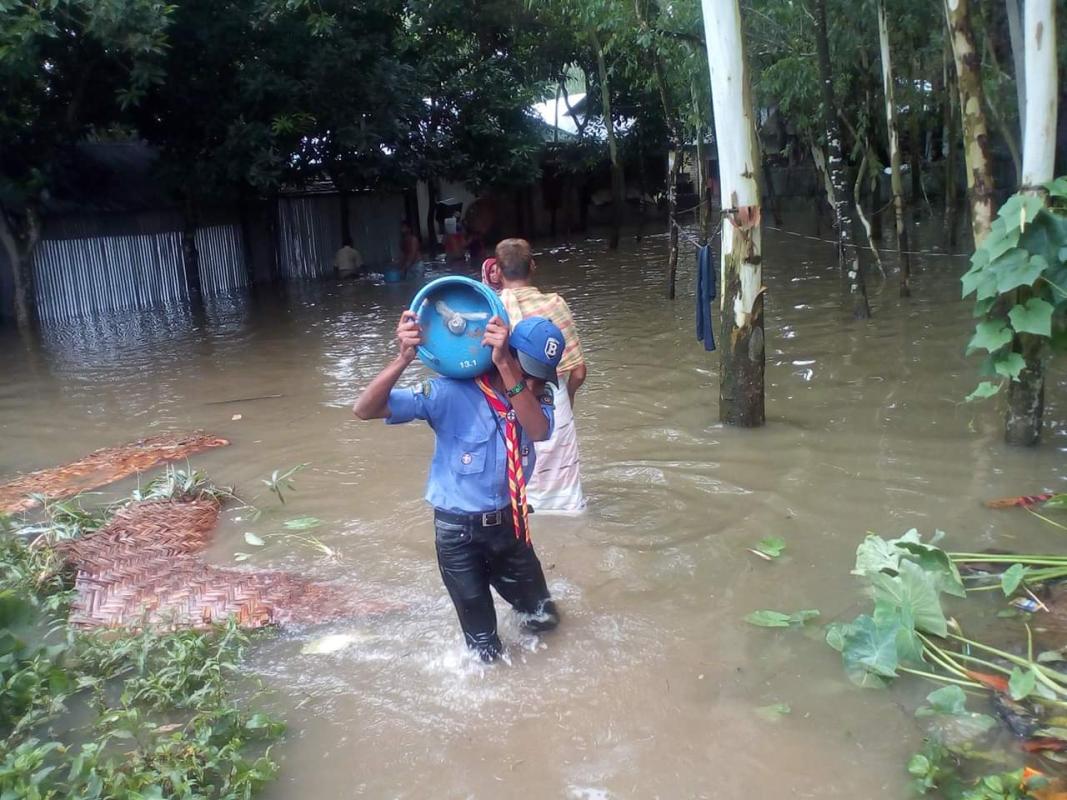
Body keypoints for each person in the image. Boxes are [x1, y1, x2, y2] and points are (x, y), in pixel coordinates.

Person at [353, 311, 566, 662]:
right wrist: (403, 358)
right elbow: (364, 410)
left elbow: (540, 431)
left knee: (545, 621)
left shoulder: (536, 398)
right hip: (459, 537)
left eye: (541, 379)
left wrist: (516, 377)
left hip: (512, 528)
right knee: (485, 649)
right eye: (530, 374)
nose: (535, 385)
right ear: (504, 354)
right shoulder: (448, 393)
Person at [496, 238, 588, 514]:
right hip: (553, 396)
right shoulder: (555, 305)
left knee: (518, 483)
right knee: (566, 496)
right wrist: (566, 399)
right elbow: (579, 371)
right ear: (532, 267)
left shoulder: (494, 310)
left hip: (508, 402)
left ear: (497, 272)